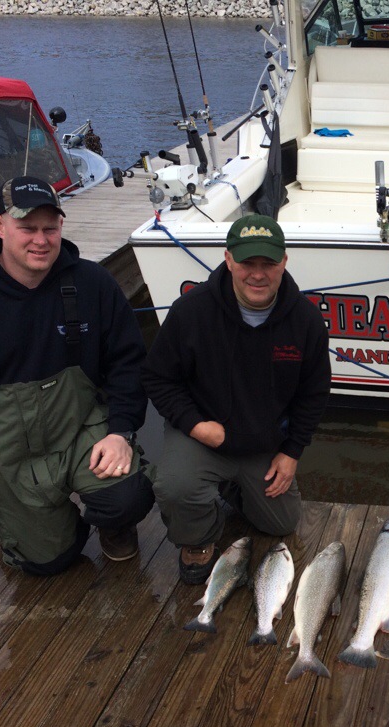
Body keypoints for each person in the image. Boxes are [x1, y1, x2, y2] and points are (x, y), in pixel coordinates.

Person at [0, 176, 155, 575]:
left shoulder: (93, 284)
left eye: (49, 228)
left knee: (128, 496)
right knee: (48, 561)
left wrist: (120, 432)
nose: (41, 240)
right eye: (27, 228)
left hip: (78, 429)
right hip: (4, 448)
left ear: (60, 227)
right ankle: (50, 529)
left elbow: (129, 363)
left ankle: (113, 523)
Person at [142, 213, 331, 585]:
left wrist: (292, 451)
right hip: (204, 434)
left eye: (268, 264)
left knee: (282, 524)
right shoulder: (191, 311)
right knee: (177, 486)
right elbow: (157, 377)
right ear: (228, 260)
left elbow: (313, 392)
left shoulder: (306, 320)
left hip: (262, 440)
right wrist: (196, 425)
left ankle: (230, 486)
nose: (258, 274)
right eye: (247, 263)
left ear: (284, 262)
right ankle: (197, 538)